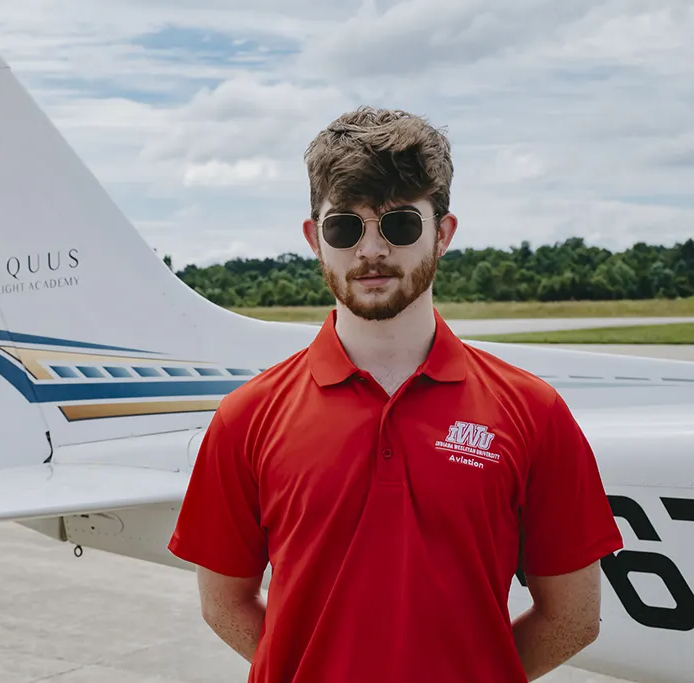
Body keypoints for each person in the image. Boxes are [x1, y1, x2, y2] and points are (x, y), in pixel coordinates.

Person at [166, 106, 624, 683]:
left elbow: (574, 616)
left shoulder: (533, 411)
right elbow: (223, 603)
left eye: (401, 224)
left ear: (444, 233)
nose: (372, 250)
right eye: (345, 227)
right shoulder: (247, 416)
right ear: (315, 239)